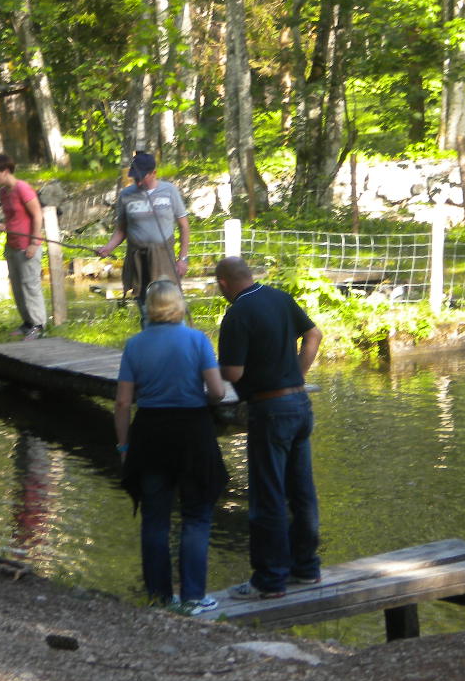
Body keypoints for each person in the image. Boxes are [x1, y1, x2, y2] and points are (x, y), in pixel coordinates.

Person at [114, 279, 227, 614]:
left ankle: (159, 596)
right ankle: (193, 596)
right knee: (196, 515)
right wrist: (199, 397)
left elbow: (122, 403)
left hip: (150, 434)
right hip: (192, 432)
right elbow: (218, 392)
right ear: (179, 305)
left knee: (154, 518)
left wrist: (123, 448)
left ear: (149, 307)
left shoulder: (134, 345)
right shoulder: (197, 340)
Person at [215, 256, 323, 600]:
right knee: (301, 491)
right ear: (250, 276)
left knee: (268, 496)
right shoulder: (280, 298)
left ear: (223, 284)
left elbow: (232, 374)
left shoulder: (236, 314)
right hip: (300, 405)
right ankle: (306, 568)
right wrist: (297, 374)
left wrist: (205, 369)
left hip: (269, 410)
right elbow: (314, 334)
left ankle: (269, 580)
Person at [95, 152, 190, 315]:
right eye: (135, 178)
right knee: (145, 306)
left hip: (163, 257)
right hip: (138, 257)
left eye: (141, 177)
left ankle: (174, 336)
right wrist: (108, 247)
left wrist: (182, 259)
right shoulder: (126, 195)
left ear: (154, 173)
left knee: (170, 302)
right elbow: (121, 229)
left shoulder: (169, 191)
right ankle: (149, 334)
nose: (138, 181)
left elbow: (184, 226)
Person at [0, 154, 46, 341]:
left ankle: (38, 325)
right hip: (12, 245)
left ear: (6, 171)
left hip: (27, 246)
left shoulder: (23, 188)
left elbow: (37, 215)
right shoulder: (4, 192)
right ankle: (27, 322)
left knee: (30, 285)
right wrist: (4, 226)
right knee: (17, 286)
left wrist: (33, 242)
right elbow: (13, 217)